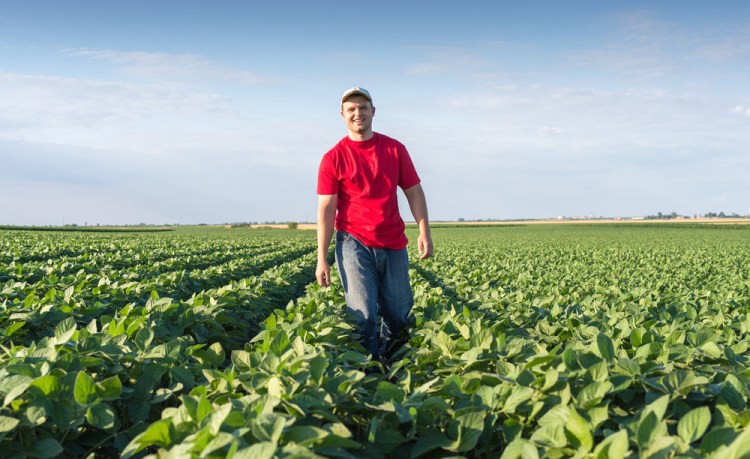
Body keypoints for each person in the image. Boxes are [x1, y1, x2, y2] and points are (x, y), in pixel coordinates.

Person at [316, 86, 433, 365]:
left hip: (392, 240)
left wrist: (424, 230)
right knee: (362, 314)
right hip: (352, 241)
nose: (358, 113)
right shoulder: (333, 158)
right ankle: (367, 370)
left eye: (363, 107)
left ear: (373, 111)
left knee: (399, 313)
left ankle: (391, 358)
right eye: (351, 109)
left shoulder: (394, 149)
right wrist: (322, 257)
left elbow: (414, 191)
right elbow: (326, 209)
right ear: (342, 115)